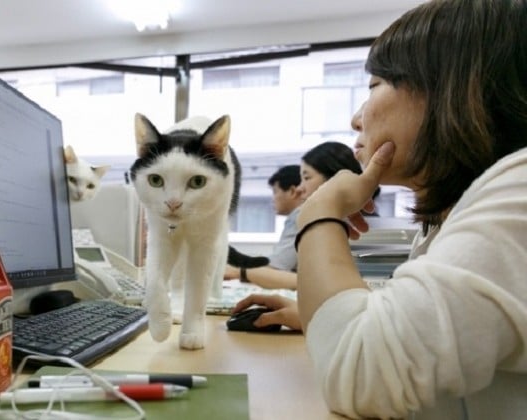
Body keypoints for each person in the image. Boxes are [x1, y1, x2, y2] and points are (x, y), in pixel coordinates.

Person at [235, 0, 527, 418]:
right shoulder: (451, 220)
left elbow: (358, 376)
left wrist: (321, 213)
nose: (357, 119)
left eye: (373, 86)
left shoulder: (521, 190)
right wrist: (321, 316)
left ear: (450, 86)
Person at [227, 141, 362, 289]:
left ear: (335, 179)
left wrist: (239, 272)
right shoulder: (347, 217)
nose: (300, 188)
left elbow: (281, 270)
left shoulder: (311, 217)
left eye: (307, 178)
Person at [224, 164, 300, 288]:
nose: (273, 199)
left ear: (292, 191)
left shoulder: (299, 216)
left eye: (275, 192)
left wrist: (237, 271)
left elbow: (276, 268)